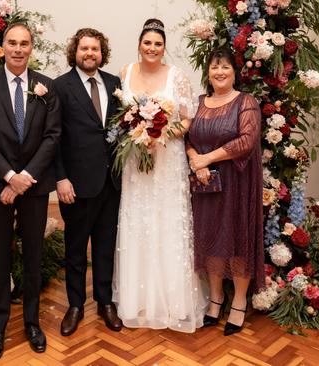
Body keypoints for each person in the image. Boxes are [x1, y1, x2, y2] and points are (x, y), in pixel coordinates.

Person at [0, 23, 60, 358]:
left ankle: (32, 324)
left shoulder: (46, 87)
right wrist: (10, 177)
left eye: (24, 43)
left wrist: (24, 178)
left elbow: (52, 137)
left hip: (34, 187)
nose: (18, 49)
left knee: (33, 257)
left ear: (31, 48)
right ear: (2, 47)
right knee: (1, 258)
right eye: (12, 43)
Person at [112, 18, 206, 333]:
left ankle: (173, 303)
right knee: (138, 223)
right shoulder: (125, 73)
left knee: (166, 223)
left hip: (167, 161)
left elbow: (188, 119)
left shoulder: (176, 76)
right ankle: (137, 301)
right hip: (135, 162)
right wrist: (139, 134)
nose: (152, 48)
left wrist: (160, 135)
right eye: (147, 42)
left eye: (158, 44)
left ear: (164, 48)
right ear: (139, 44)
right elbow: (121, 118)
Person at [186, 47, 264, 336]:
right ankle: (215, 299)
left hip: (237, 183)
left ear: (234, 72)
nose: (219, 72)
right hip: (205, 184)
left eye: (225, 67)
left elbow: (246, 141)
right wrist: (195, 158)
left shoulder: (246, 102)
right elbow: (187, 137)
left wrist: (208, 158)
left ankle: (239, 301)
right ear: (207, 72)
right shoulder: (198, 103)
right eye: (214, 67)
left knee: (236, 237)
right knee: (211, 238)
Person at [53, 28, 123, 336]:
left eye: (95, 49)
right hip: (76, 184)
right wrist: (60, 178)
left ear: (101, 52)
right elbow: (52, 138)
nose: (90, 53)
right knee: (76, 248)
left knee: (106, 247)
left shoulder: (114, 84)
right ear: (75, 51)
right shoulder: (59, 86)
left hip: (111, 183)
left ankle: (106, 302)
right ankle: (76, 305)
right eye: (84, 48)